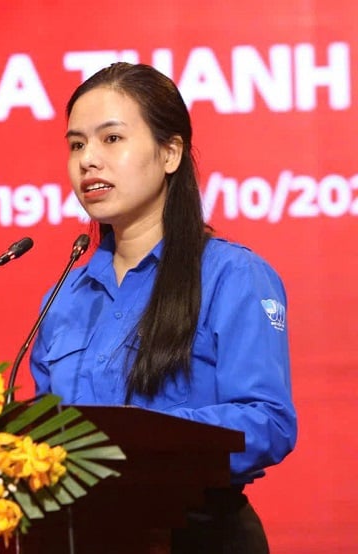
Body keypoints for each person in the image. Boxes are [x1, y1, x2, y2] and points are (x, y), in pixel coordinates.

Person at [29, 62, 297, 553]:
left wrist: (152, 443)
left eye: (111, 140)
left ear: (170, 152)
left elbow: (269, 422)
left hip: (197, 534)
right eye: (76, 144)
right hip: (85, 536)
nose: (89, 160)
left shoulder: (230, 276)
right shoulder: (63, 298)